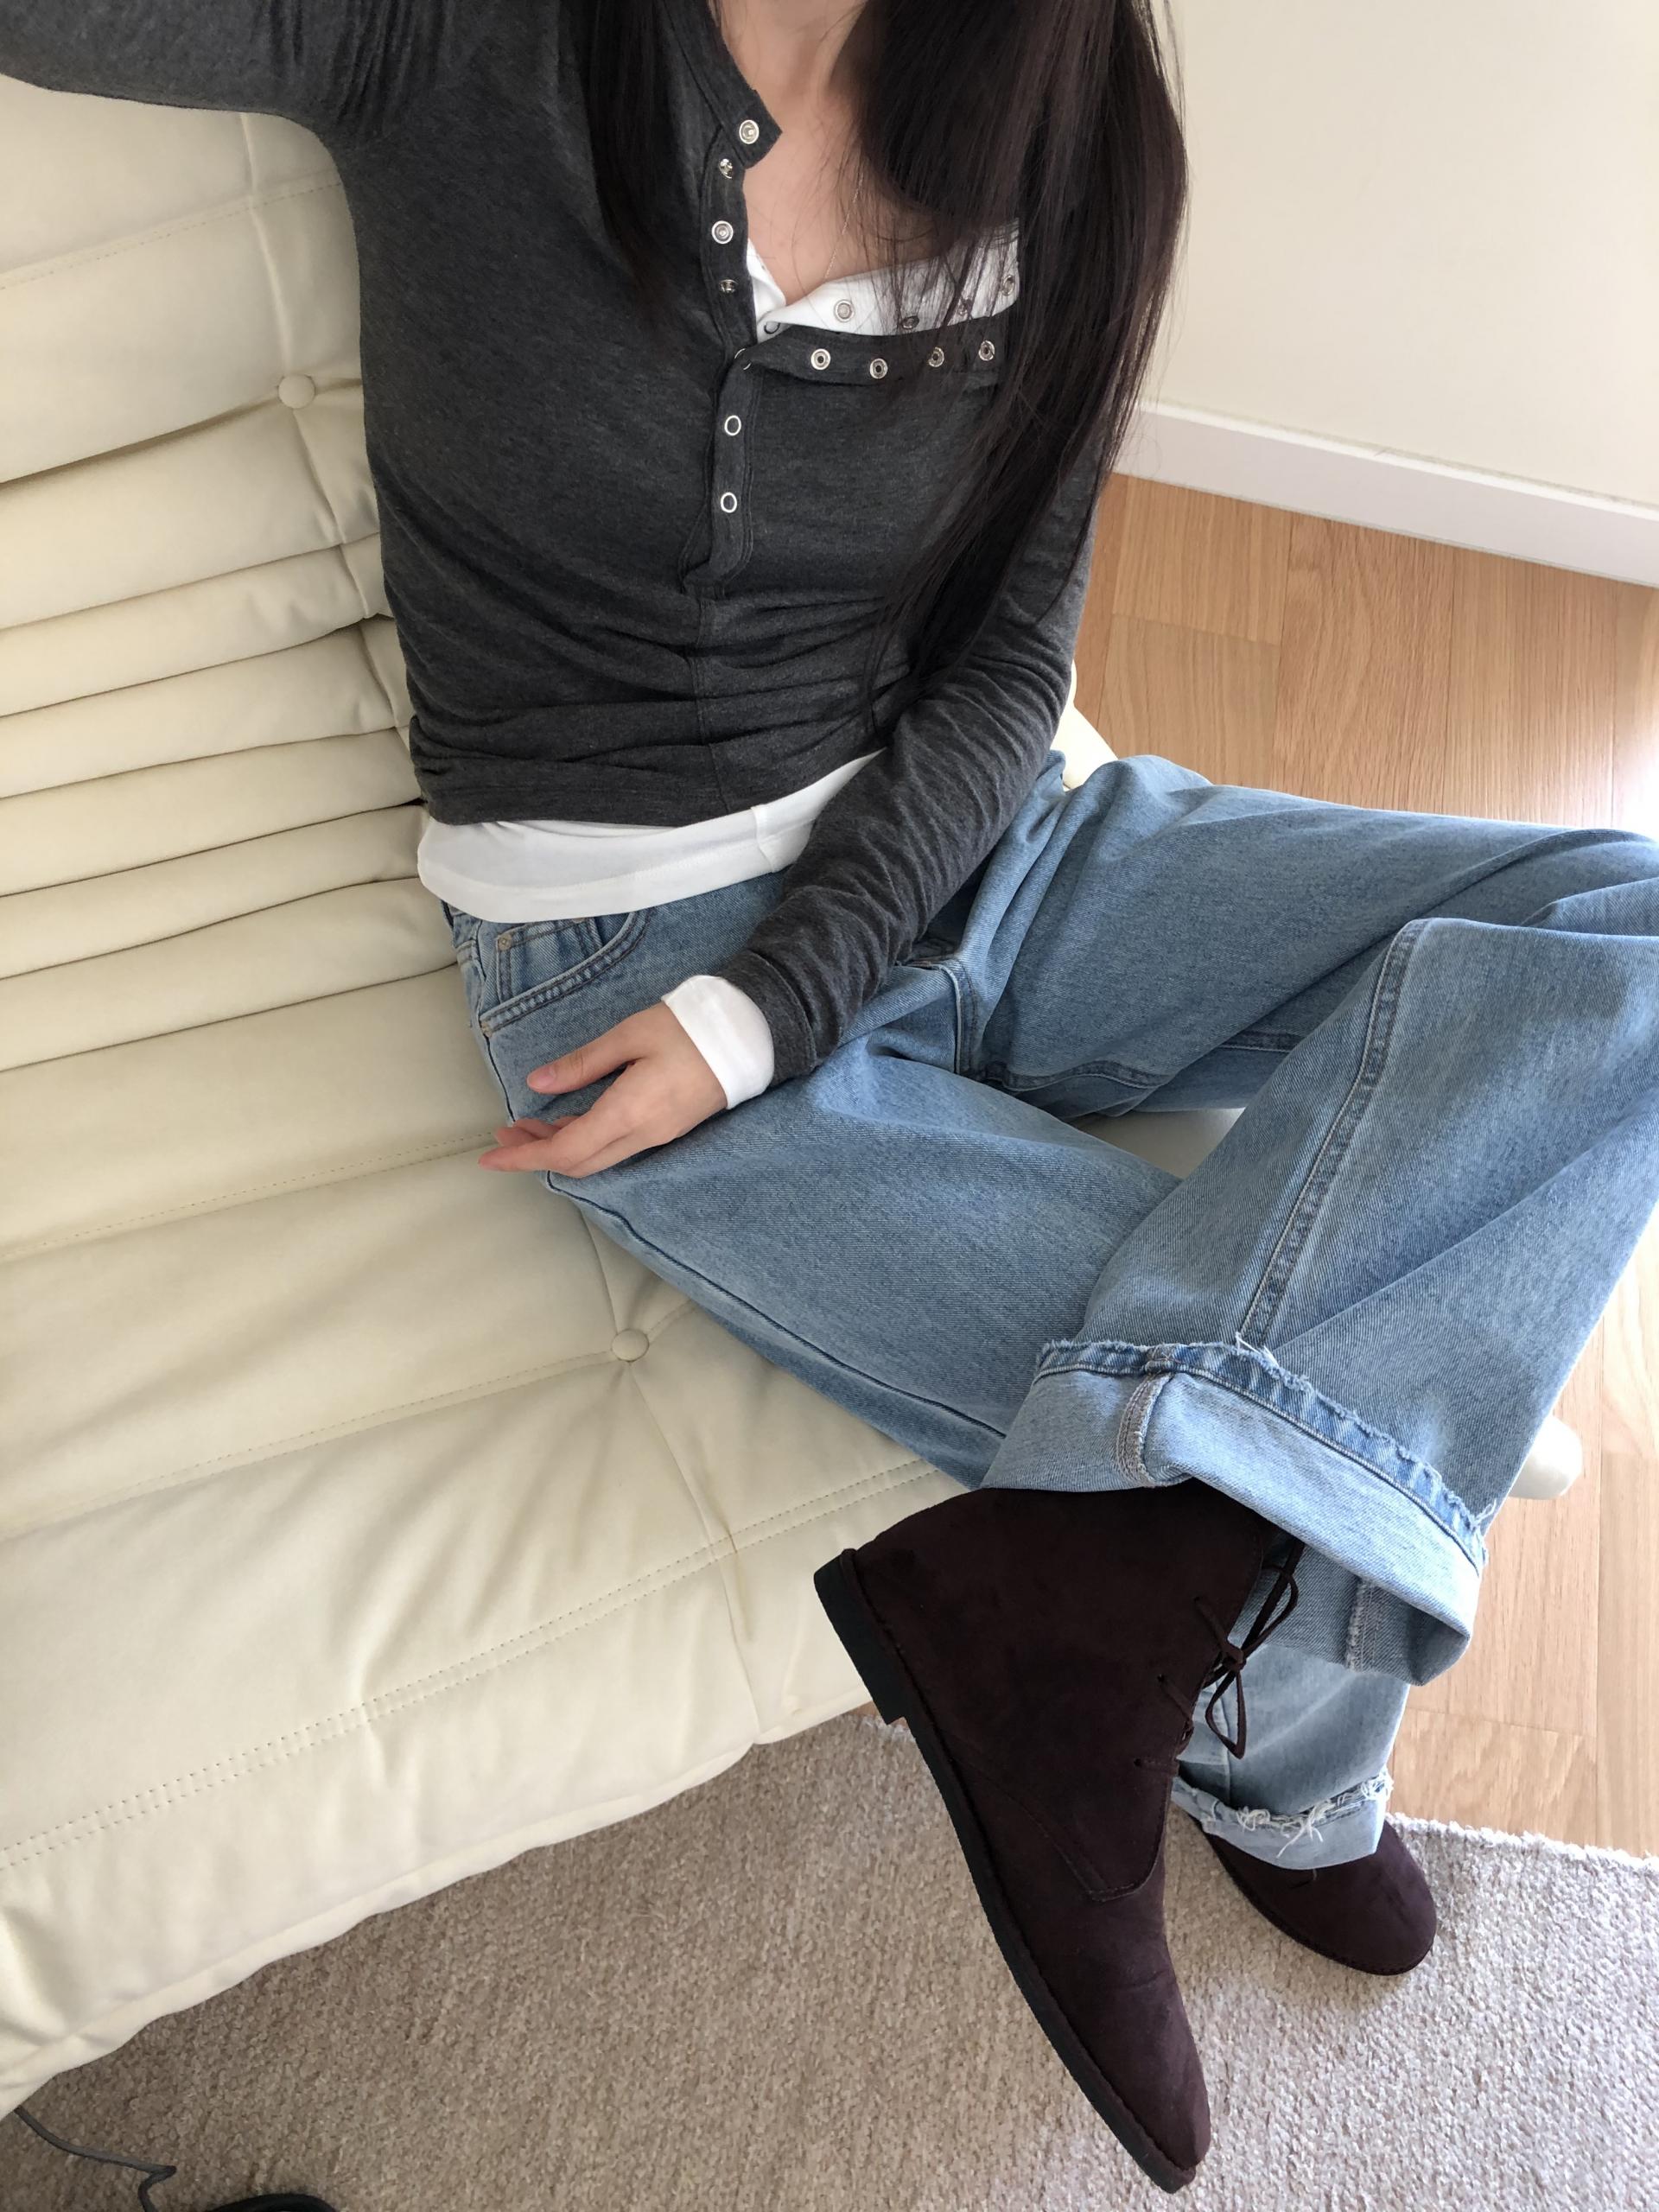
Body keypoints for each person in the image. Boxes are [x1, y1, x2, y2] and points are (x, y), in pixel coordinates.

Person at [6, 0, 1656, 2192]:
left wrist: (799, 988)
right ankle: (1259, 1754)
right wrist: (739, 1023)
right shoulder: (455, 37)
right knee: (1274, 1395)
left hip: (994, 857)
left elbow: (1012, 659)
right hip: (629, 977)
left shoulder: (1079, 117)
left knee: (1622, 941)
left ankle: (1121, 1664)